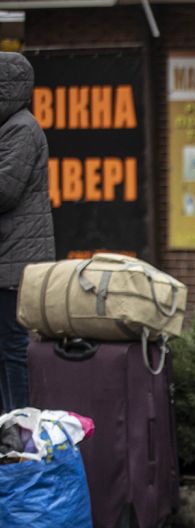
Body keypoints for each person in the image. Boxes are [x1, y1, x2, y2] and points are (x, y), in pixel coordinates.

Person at [0, 52, 55, 413]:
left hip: (14, 263)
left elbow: (5, 189)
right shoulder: (10, 127)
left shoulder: (21, 128)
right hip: (8, 258)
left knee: (12, 349)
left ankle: (19, 426)